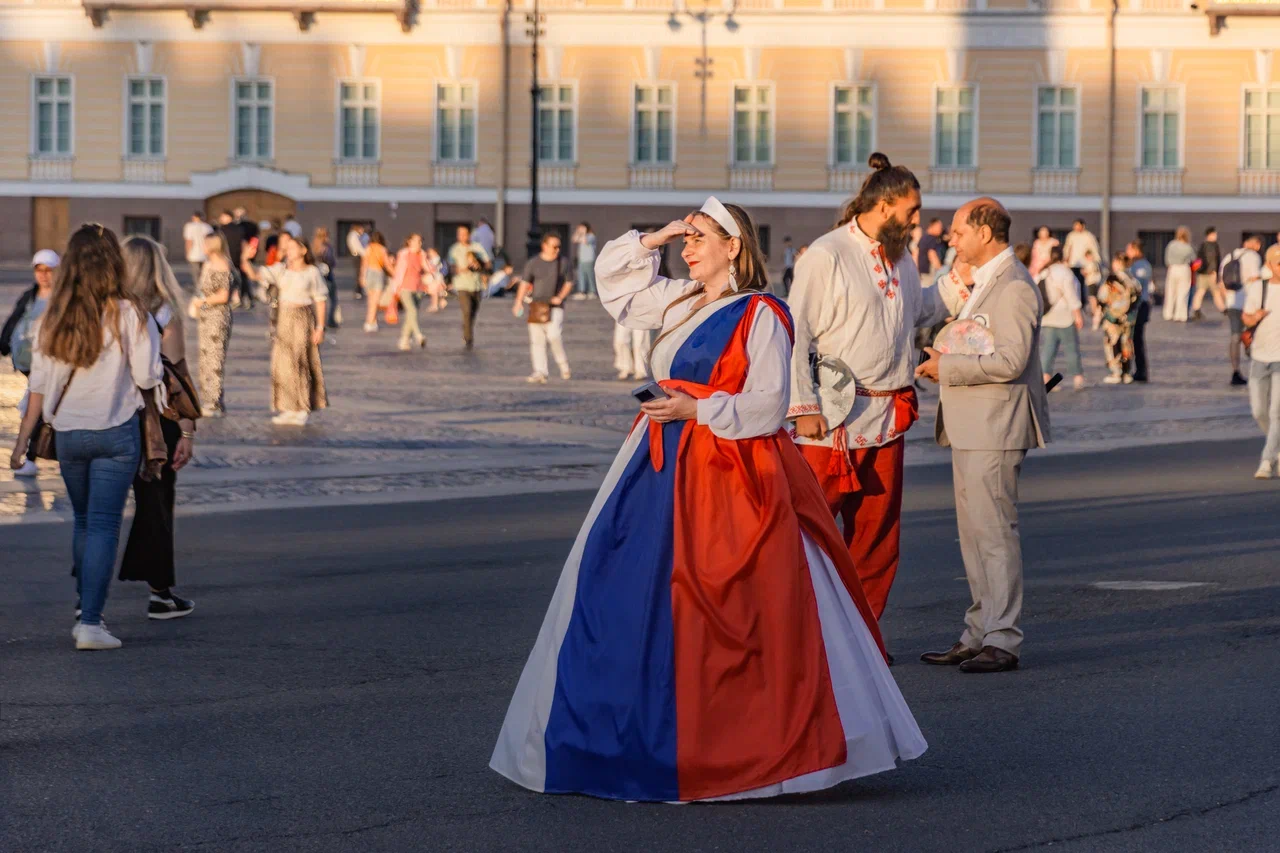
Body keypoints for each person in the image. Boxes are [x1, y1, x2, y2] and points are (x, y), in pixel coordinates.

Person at [490, 199, 926, 802]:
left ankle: (746, 745)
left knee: (735, 606)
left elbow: (769, 402)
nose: (686, 247)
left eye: (699, 238)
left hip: (730, 470)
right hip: (656, 463)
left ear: (735, 247)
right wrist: (660, 233)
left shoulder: (762, 313)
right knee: (625, 594)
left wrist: (700, 408)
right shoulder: (677, 299)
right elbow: (614, 284)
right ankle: (629, 737)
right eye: (685, 238)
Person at [788, 152, 955, 628]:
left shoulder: (901, 258)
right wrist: (802, 406)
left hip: (888, 416)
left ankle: (862, 638)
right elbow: (795, 330)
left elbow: (911, 312)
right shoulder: (827, 253)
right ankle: (803, 635)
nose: (917, 220)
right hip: (832, 419)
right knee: (811, 534)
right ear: (884, 206)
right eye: (912, 211)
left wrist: (960, 280)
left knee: (878, 537)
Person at [9, 223, 163, 651]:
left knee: (83, 522)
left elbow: (37, 386)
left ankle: (85, 607)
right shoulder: (129, 312)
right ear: (114, 262)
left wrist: (22, 443)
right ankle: (91, 623)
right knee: (103, 525)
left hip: (69, 435)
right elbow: (148, 375)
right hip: (116, 433)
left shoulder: (52, 317)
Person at [916, 198, 1050, 674]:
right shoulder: (986, 281)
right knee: (973, 537)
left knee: (993, 535)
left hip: (995, 425)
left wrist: (946, 367)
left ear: (985, 233)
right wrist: (944, 363)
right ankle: (978, 631)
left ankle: (1003, 637)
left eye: (958, 231)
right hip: (972, 424)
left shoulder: (1013, 286)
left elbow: (1011, 361)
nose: (951, 239)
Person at [117, 236, 197, 620]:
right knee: (156, 504)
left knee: (98, 512)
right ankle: (160, 592)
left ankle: (88, 599)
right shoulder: (164, 312)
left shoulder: (108, 309)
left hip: (113, 414)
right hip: (156, 421)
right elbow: (178, 377)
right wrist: (187, 431)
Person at [243, 232, 328, 425]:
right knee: (283, 364)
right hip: (283, 318)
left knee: (300, 361)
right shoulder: (281, 269)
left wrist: (320, 327)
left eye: (292, 247)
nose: (288, 250)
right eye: (287, 247)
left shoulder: (312, 272)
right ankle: (288, 406)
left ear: (303, 250)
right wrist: (246, 259)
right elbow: (256, 274)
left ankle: (302, 407)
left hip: (302, 317)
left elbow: (321, 300)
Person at [1, 250, 60, 477]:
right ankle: (34, 455)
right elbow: (14, 320)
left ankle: (34, 455)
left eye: (49, 270)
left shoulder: (62, 298)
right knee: (38, 407)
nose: (44, 275)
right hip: (28, 364)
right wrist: (4, 344)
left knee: (39, 408)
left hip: (50, 363)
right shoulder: (30, 295)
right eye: (39, 269)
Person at [513, 232, 574, 383]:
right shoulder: (533, 263)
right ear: (544, 246)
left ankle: (563, 364)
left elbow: (569, 282)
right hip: (536, 305)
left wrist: (560, 297)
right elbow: (525, 283)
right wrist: (518, 302)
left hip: (555, 305)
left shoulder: (563, 262)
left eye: (559, 247)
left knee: (554, 335)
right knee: (537, 340)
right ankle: (540, 371)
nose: (557, 250)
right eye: (554, 246)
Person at [189, 230, 234, 418]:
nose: (203, 247)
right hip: (206, 317)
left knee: (214, 358)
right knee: (206, 357)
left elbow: (223, 296)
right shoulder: (209, 264)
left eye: (206, 244)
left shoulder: (222, 265)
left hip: (217, 316)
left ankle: (213, 402)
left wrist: (203, 302)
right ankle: (209, 398)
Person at [1246, 244, 1280, 478]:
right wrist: (1254, 317)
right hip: (1259, 357)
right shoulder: (1260, 288)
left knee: (1277, 411)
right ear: (1269, 265)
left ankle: (1267, 460)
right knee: (1259, 411)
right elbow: (1246, 318)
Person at [1039, 246, 1086, 391]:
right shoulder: (1065, 272)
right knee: (1071, 348)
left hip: (1047, 315)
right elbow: (1071, 295)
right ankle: (1077, 378)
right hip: (1065, 316)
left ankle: (1046, 378)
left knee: (1048, 349)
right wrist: (1078, 315)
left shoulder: (1044, 272)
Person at [1224, 234, 1264, 387]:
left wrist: (1225, 303)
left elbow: (1221, 282)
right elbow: (1256, 279)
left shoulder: (1230, 256)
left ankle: (1235, 371)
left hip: (1232, 302)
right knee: (1252, 336)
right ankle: (1256, 368)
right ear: (1257, 245)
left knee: (1235, 337)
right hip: (1248, 301)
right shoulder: (1253, 256)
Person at [1099, 253, 1141, 384]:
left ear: (1117, 263)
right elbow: (1138, 297)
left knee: (1112, 343)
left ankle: (1116, 371)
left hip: (1113, 317)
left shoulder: (1112, 280)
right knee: (1126, 342)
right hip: (1129, 317)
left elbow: (1103, 296)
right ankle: (1127, 372)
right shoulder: (1133, 279)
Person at [448, 225, 491, 349]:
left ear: (469, 235)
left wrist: (479, 264)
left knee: (473, 312)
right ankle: (468, 338)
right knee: (466, 310)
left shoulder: (477, 247)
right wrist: (462, 269)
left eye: (464, 234)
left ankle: (467, 328)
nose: (462, 236)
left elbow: (487, 263)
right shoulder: (454, 249)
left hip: (476, 285)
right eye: (459, 234)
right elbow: (451, 266)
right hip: (461, 284)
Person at [390, 234, 429, 352]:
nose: (419, 243)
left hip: (418, 288)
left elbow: (427, 268)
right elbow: (398, 271)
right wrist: (395, 287)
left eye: (420, 241)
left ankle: (404, 340)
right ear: (410, 242)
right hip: (404, 288)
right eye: (417, 241)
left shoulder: (422, 254)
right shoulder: (403, 254)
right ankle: (418, 335)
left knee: (411, 315)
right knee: (411, 310)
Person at [1126, 240, 1154, 383]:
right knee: (1135, 339)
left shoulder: (1140, 266)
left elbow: (1137, 286)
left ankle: (1141, 371)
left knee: (1137, 339)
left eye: (1129, 249)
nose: (1127, 252)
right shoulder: (1138, 264)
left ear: (1136, 250)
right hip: (1139, 305)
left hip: (1140, 305)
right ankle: (1138, 369)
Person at [360, 231, 394, 332]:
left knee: (370, 300)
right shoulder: (382, 249)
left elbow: (364, 264)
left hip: (369, 273)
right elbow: (387, 265)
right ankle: (370, 322)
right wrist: (395, 274)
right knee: (375, 301)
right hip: (378, 273)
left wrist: (362, 277)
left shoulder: (368, 248)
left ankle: (372, 321)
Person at [1063, 218, 1101, 304]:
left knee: (1085, 285)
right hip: (1073, 264)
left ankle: (1083, 302)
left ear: (1082, 226)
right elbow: (1067, 249)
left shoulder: (1088, 236)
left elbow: (1094, 250)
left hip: (1085, 265)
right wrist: (1066, 260)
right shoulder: (1071, 236)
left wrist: (1095, 261)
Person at [1163, 227, 1195, 323]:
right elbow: (1193, 259)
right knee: (1183, 293)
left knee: (1170, 292)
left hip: (1172, 268)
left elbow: (1166, 259)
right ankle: (1180, 315)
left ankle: (1168, 314)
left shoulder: (1171, 245)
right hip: (1184, 269)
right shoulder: (1188, 247)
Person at [1192, 227, 1225, 321]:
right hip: (1211, 273)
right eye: (1215, 234)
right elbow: (1213, 260)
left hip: (1202, 273)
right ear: (1210, 234)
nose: (1216, 236)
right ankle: (1224, 310)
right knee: (1215, 292)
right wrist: (1215, 271)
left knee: (1200, 292)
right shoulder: (1213, 246)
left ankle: (1196, 310)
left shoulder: (1202, 245)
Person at [311, 227, 340, 330]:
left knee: (318, 299)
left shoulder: (314, 246)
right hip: (328, 276)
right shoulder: (327, 247)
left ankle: (317, 321)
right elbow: (331, 261)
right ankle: (330, 320)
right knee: (332, 299)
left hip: (318, 276)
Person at [182, 212, 212, 289]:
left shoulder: (189, 226)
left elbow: (189, 241)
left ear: (194, 217)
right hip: (206, 253)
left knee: (196, 273)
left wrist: (187, 252)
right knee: (204, 273)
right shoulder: (207, 227)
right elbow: (210, 241)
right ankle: (204, 288)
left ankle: (198, 289)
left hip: (193, 254)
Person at [572, 222, 598, 300]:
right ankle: (582, 291)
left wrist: (583, 232)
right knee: (581, 275)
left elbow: (585, 241)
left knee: (590, 275)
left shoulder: (591, 236)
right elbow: (574, 239)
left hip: (589, 259)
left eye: (582, 228)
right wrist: (577, 231)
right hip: (581, 259)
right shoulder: (581, 235)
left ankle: (592, 292)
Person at [916, 217, 945, 287]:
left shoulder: (923, 238)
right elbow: (932, 254)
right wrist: (941, 270)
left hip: (921, 273)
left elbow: (916, 253)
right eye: (939, 227)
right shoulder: (931, 239)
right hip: (928, 273)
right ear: (933, 226)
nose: (941, 229)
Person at [347, 223, 368, 301]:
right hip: (357, 256)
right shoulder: (354, 235)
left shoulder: (359, 235)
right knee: (359, 273)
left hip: (359, 255)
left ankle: (360, 290)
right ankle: (358, 291)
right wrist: (366, 254)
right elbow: (358, 247)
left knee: (361, 273)